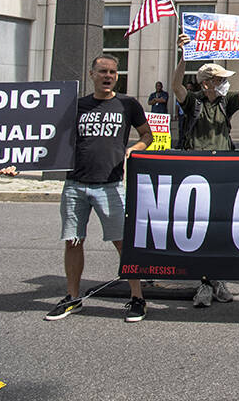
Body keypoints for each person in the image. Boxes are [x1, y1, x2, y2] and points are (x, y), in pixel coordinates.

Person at [44, 54, 153, 323]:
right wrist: (16, 164)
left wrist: (133, 150)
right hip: (75, 184)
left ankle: (137, 298)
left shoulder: (128, 104)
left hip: (111, 185)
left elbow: (147, 135)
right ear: (91, 74)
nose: (108, 76)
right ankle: (72, 298)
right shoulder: (76, 106)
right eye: (102, 71)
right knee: (73, 240)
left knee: (123, 243)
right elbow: (48, 139)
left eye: (113, 73)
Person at [171, 32, 239, 307]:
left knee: (221, 227)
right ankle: (204, 283)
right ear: (207, 82)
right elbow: (177, 87)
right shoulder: (194, 100)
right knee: (199, 227)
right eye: (220, 80)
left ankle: (217, 280)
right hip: (195, 171)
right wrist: (183, 57)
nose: (224, 84)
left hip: (222, 171)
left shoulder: (227, 101)